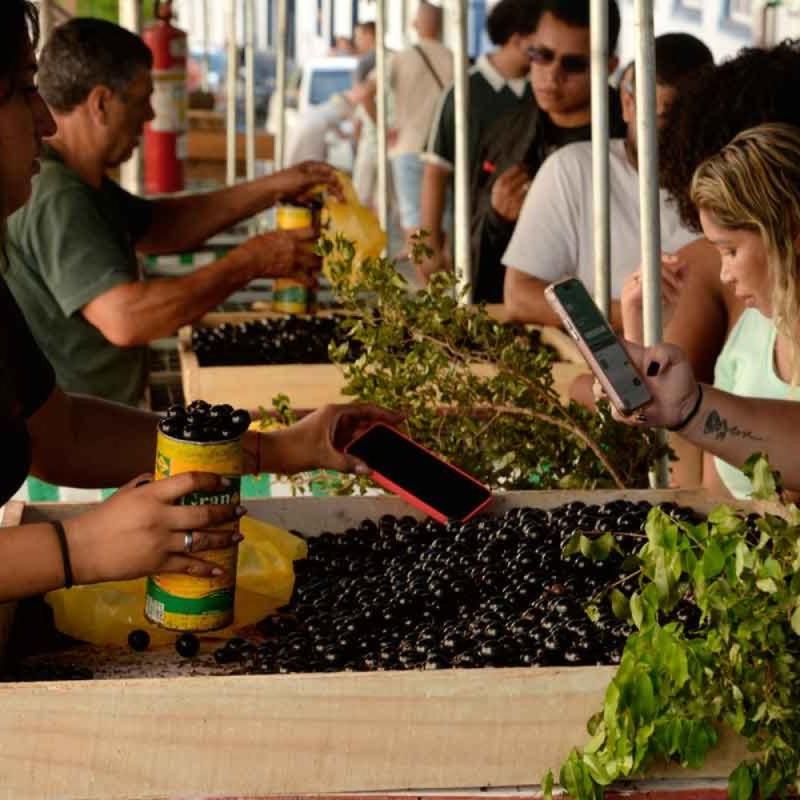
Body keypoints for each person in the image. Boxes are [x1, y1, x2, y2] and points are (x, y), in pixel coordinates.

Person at [0, 0, 398, 603]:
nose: (45, 121)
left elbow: (63, 433)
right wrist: (79, 548)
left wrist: (283, 446)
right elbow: (126, 318)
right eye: (21, 92)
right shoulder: (58, 196)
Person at [5, 18, 342, 407]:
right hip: (79, 436)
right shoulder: (58, 193)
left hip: (96, 418)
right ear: (101, 103)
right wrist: (253, 260)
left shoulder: (80, 182)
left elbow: (163, 227)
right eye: (141, 98)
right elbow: (127, 319)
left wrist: (273, 187)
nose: (150, 117)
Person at [620, 41, 800, 489]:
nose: (723, 272)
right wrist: (646, 350)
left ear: (791, 230)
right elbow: (705, 495)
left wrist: (692, 408)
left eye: (732, 250)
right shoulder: (750, 336)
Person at [502, 33, 712, 325]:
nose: (683, 135)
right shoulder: (574, 171)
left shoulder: (725, 185)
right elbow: (521, 297)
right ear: (628, 103)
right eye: (666, 118)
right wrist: (637, 314)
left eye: (694, 121)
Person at [466, 0, 627, 303]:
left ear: (609, 67)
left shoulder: (634, 141)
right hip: (514, 325)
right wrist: (498, 219)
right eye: (542, 56)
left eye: (574, 64)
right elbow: (470, 259)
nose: (552, 75)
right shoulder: (504, 133)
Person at [418, 0, 539, 282]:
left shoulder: (543, 92)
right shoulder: (462, 92)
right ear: (519, 40)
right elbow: (436, 171)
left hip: (536, 247)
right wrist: (430, 244)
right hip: (474, 241)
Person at [389, 1, 453, 254]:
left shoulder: (401, 58)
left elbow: (364, 94)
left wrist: (383, 127)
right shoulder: (453, 58)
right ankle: (439, 282)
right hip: (443, 150)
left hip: (407, 146)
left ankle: (428, 285)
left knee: (414, 221)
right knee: (442, 222)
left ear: (415, 24)